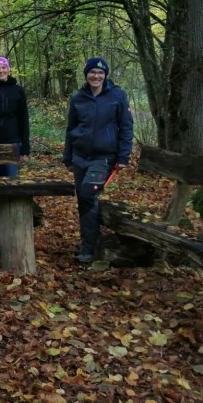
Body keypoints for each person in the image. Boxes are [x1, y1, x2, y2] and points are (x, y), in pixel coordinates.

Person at [63, 57, 134, 263]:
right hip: (79, 156)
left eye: (100, 73)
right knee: (84, 200)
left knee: (88, 194)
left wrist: (123, 156)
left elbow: (126, 127)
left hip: (104, 157)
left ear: (105, 76)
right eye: (92, 72)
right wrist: (68, 156)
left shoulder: (117, 96)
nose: (96, 76)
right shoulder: (78, 98)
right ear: (86, 75)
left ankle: (89, 248)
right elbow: (71, 129)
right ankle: (91, 244)